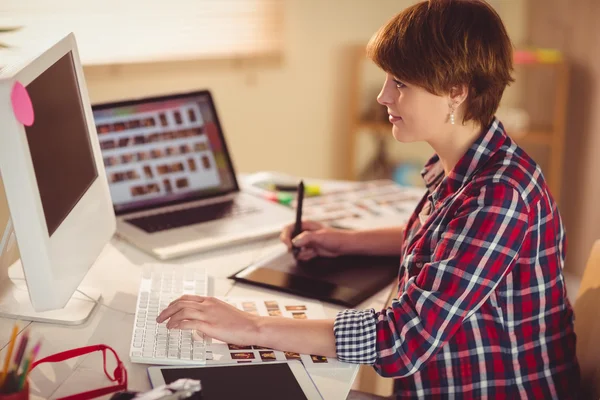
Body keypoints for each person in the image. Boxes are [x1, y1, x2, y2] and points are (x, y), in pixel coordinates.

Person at [157, 0, 580, 397]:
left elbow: (401, 340)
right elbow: (444, 241)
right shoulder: (469, 167)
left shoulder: (500, 196)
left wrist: (249, 327)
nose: (384, 96)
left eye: (401, 83)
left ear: (456, 90)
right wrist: (344, 241)